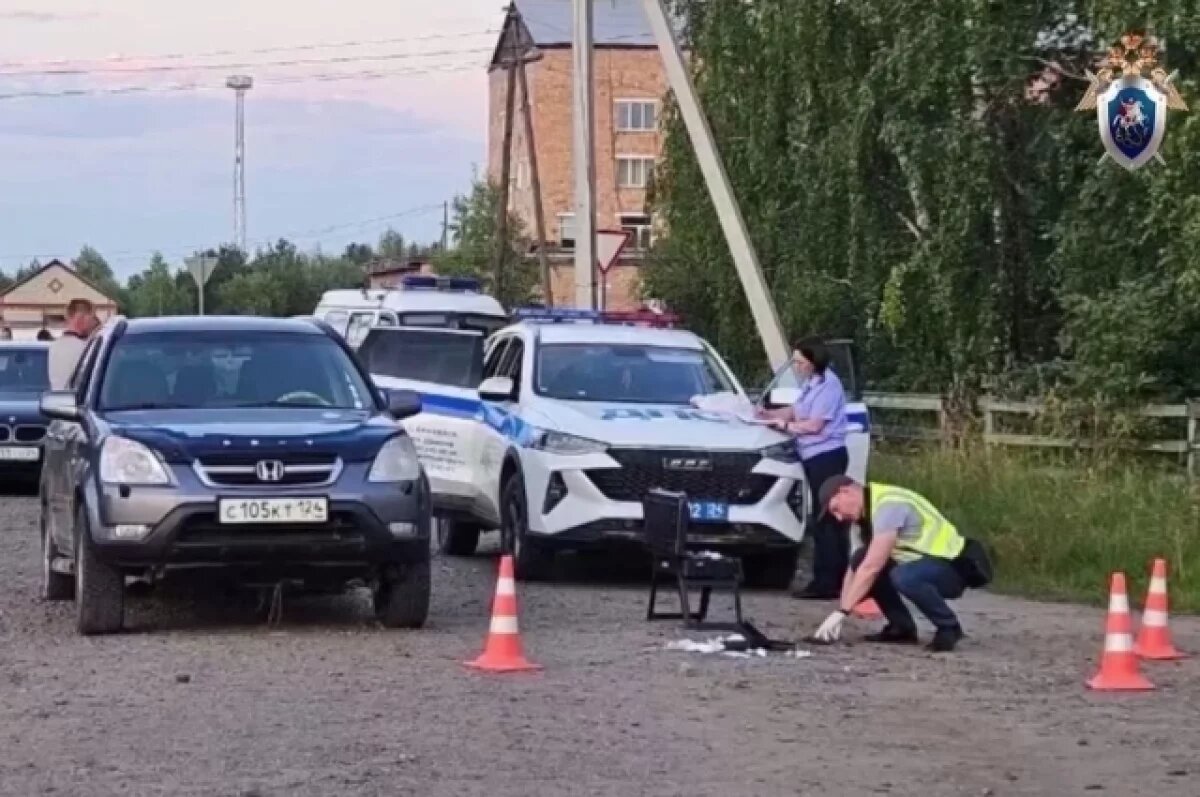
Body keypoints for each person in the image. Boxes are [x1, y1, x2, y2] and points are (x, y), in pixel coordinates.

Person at [808, 475, 972, 652]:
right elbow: (857, 567)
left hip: (953, 567)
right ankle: (901, 627)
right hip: (922, 564)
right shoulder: (869, 509)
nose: (839, 518)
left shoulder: (888, 507)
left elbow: (872, 567)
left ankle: (949, 627)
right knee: (862, 558)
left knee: (902, 576)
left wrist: (842, 613)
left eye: (836, 509)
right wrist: (840, 611)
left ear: (845, 492)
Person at [757, 338, 850, 599]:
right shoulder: (812, 383)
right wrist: (767, 414)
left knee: (826, 518)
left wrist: (785, 426)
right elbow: (796, 410)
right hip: (813, 456)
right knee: (822, 518)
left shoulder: (829, 386)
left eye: (800, 362)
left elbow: (815, 425)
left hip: (826, 456)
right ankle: (831, 578)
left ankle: (827, 581)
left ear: (813, 362)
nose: (796, 367)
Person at [48, 298, 98, 390]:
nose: (93, 323)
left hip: (57, 397)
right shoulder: (84, 349)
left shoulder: (54, 346)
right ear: (81, 318)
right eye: (92, 318)